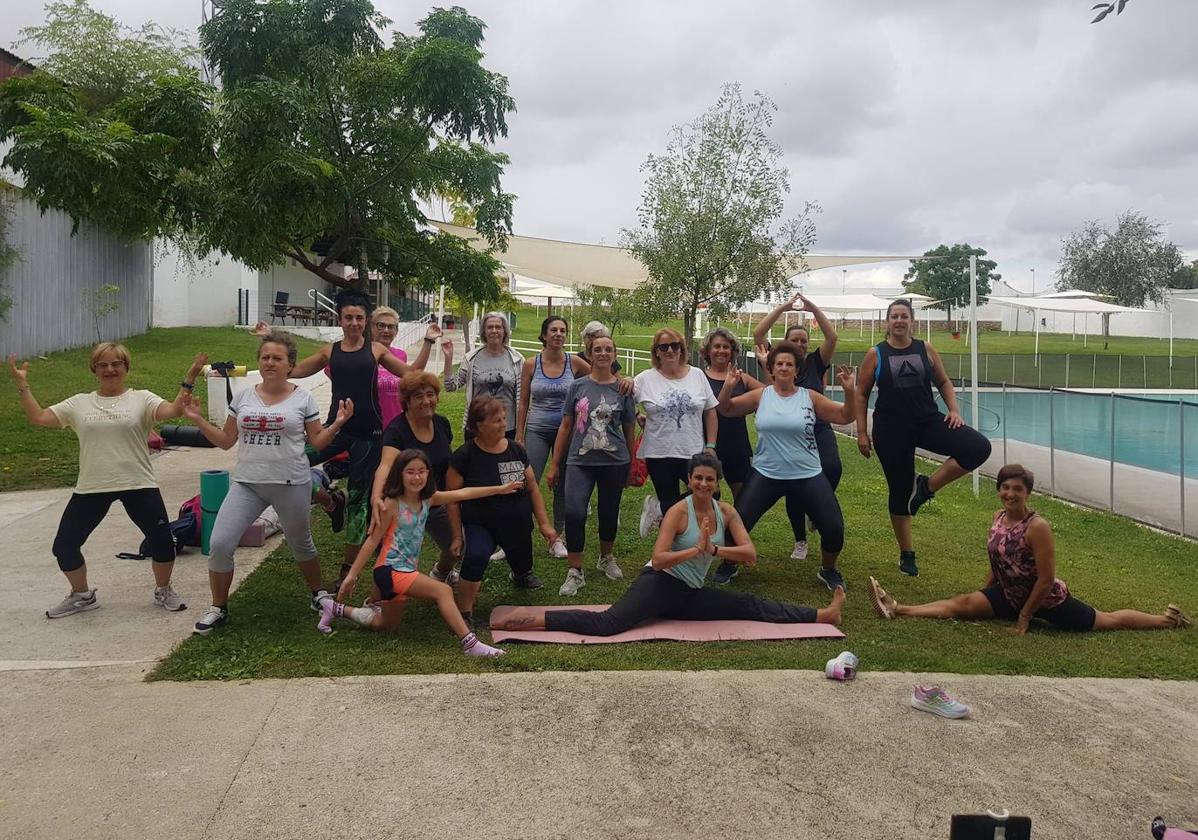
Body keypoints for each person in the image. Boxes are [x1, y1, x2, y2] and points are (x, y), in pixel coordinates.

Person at [491, 453, 845, 635]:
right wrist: (696, 549)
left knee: (749, 605)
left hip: (688, 594)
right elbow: (658, 560)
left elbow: (749, 555)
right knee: (608, 624)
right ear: (690, 481)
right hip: (660, 585)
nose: (703, 484)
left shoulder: (727, 512)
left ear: (717, 483)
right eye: (697, 479)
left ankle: (822, 615)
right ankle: (528, 620)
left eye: (709, 479)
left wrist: (715, 551)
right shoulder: (679, 511)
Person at [868, 464, 1192, 633]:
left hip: (1047, 601)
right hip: (1008, 594)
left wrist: (1025, 618)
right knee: (962, 604)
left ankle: (1166, 620)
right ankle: (898, 608)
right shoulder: (997, 517)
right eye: (1005, 488)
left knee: (1107, 621)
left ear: (1028, 493)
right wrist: (987, 592)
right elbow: (997, 559)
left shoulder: (1038, 527)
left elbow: (1047, 579)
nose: (1010, 494)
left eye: (1017, 489)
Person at [9, 344, 206, 618]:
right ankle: (82, 596)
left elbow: (173, 411)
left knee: (162, 541)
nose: (110, 369)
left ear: (126, 367)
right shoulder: (79, 403)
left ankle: (163, 589)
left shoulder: (142, 399)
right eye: (103, 365)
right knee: (64, 546)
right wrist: (23, 386)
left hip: (138, 483)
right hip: (93, 485)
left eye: (117, 364)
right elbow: (38, 417)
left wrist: (190, 378)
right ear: (94, 369)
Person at [183, 331, 352, 635]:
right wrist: (197, 419)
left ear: (290, 364)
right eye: (265, 357)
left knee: (301, 542)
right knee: (220, 543)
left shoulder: (303, 398)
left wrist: (338, 424)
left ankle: (317, 594)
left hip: (291, 482)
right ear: (259, 362)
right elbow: (225, 441)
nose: (270, 363)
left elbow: (316, 440)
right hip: (248, 483)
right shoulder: (245, 396)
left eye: (277, 358)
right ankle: (218, 607)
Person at [288, 289, 438, 591]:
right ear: (340, 319)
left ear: (364, 320)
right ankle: (331, 501)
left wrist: (429, 342)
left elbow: (411, 373)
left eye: (359, 318)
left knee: (359, 502)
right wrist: (271, 342)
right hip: (335, 428)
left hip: (369, 436)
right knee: (290, 463)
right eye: (349, 318)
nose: (354, 323)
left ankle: (346, 569)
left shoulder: (376, 351)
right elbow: (293, 370)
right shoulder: (329, 352)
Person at [318, 449, 517, 657]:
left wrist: (500, 489)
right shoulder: (392, 503)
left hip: (401, 572)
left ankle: (335, 609)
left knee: (386, 625)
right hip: (390, 570)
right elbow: (373, 540)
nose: (417, 477)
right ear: (399, 474)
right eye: (410, 472)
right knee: (444, 591)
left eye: (422, 471)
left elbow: (463, 493)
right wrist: (351, 575)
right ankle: (470, 644)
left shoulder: (428, 500)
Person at [856, 298, 992, 577]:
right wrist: (861, 431)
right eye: (894, 316)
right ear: (887, 321)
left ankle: (927, 486)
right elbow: (861, 393)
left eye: (903, 316)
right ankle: (907, 554)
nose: (898, 321)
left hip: (927, 421)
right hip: (890, 428)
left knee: (977, 447)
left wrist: (954, 409)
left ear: (912, 320)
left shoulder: (925, 349)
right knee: (898, 491)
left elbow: (943, 381)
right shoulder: (876, 353)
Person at [712, 343, 856, 590]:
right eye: (779, 363)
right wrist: (727, 386)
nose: (784, 367)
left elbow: (845, 416)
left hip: (807, 472)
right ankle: (729, 563)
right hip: (767, 472)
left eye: (789, 364)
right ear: (771, 368)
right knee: (738, 521)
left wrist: (850, 392)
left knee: (833, 527)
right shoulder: (762, 395)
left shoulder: (809, 397)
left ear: (797, 370)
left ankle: (828, 570)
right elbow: (725, 409)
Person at [445, 396, 560, 629]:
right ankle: (464, 612)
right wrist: (457, 536)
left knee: (523, 562)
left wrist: (545, 524)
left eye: (503, 419)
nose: (502, 424)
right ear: (479, 425)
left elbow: (532, 487)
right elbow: (452, 499)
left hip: (516, 525)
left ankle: (520, 574)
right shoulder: (464, 456)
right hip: (481, 524)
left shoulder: (516, 449)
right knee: (476, 556)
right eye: (496, 420)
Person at [545, 334, 636, 596]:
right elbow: (565, 425)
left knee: (609, 513)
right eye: (598, 349)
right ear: (589, 354)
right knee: (574, 512)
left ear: (615, 354)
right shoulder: (577, 387)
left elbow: (629, 428)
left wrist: (630, 462)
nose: (603, 353)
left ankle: (606, 558)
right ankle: (575, 570)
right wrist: (554, 465)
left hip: (614, 461)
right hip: (579, 460)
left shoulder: (623, 389)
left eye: (608, 349)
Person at [753, 292, 840, 560]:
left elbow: (832, 338)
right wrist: (784, 307)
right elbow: (758, 334)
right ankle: (800, 540)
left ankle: (817, 510)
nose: (800, 344)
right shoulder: (777, 361)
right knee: (793, 490)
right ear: (785, 342)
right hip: (785, 432)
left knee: (833, 467)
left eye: (804, 340)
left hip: (817, 428)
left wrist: (812, 308)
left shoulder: (815, 361)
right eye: (795, 340)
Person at [373, 370, 460, 587]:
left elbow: (445, 461)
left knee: (456, 545)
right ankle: (378, 597)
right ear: (407, 402)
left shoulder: (441, 424)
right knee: (393, 554)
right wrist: (377, 497)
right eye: (418, 396)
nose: (426, 401)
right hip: (405, 504)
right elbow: (385, 465)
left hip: (434, 498)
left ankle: (441, 572)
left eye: (430, 394)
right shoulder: (397, 430)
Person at [516, 315, 591, 558]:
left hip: (568, 431)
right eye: (553, 330)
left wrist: (625, 383)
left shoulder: (575, 363)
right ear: (545, 334)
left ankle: (558, 536)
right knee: (528, 482)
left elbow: (600, 377)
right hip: (537, 429)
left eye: (562, 330)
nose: (558, 334)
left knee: (563, 485)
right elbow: (523, 402)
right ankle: (517, 533)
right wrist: (519, 434)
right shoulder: (530, 364)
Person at [634, 327, 717, 539]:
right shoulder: (645, 379)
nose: (670, 350)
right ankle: (670, 553)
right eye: (664, 347)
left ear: (682, 349)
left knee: (710, 493)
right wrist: (637, 415)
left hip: (693, 451)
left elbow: (710, 412)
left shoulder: (697, 375)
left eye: (675, 345)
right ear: (657, 352)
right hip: (659, 452)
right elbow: (623, 403)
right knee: (672, 507)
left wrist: (711, 445)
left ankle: (657, 510)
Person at [701, 328, 764, 503]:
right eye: (717, 346)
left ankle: (737, 530)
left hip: (737, 444)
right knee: (709, 494)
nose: (721, 350)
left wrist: (766, 365)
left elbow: (770, 394)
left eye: (726, 347)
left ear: (733, 351)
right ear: (708, 350)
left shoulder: (741, 378)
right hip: (707, 443)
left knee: (743, 495)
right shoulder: (698, 377)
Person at [442, 311, 523, 440]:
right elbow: (450, 386)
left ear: (505, 331)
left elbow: (522, 398)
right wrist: (448, 358)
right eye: (490, 327)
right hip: (478, 427)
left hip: (506, 428)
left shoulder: (517, 360)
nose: (494, 331)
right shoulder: (472, 358)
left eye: (498, 327)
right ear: (484, 331)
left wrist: (520, 430)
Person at [369, 305, 410, 428]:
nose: (386, 330)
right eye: (381, 325)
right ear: (371, 327)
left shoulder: (401, 355)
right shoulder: (361, 352)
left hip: (397, 423)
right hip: (369, 424)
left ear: (396, 331)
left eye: (391, 327)